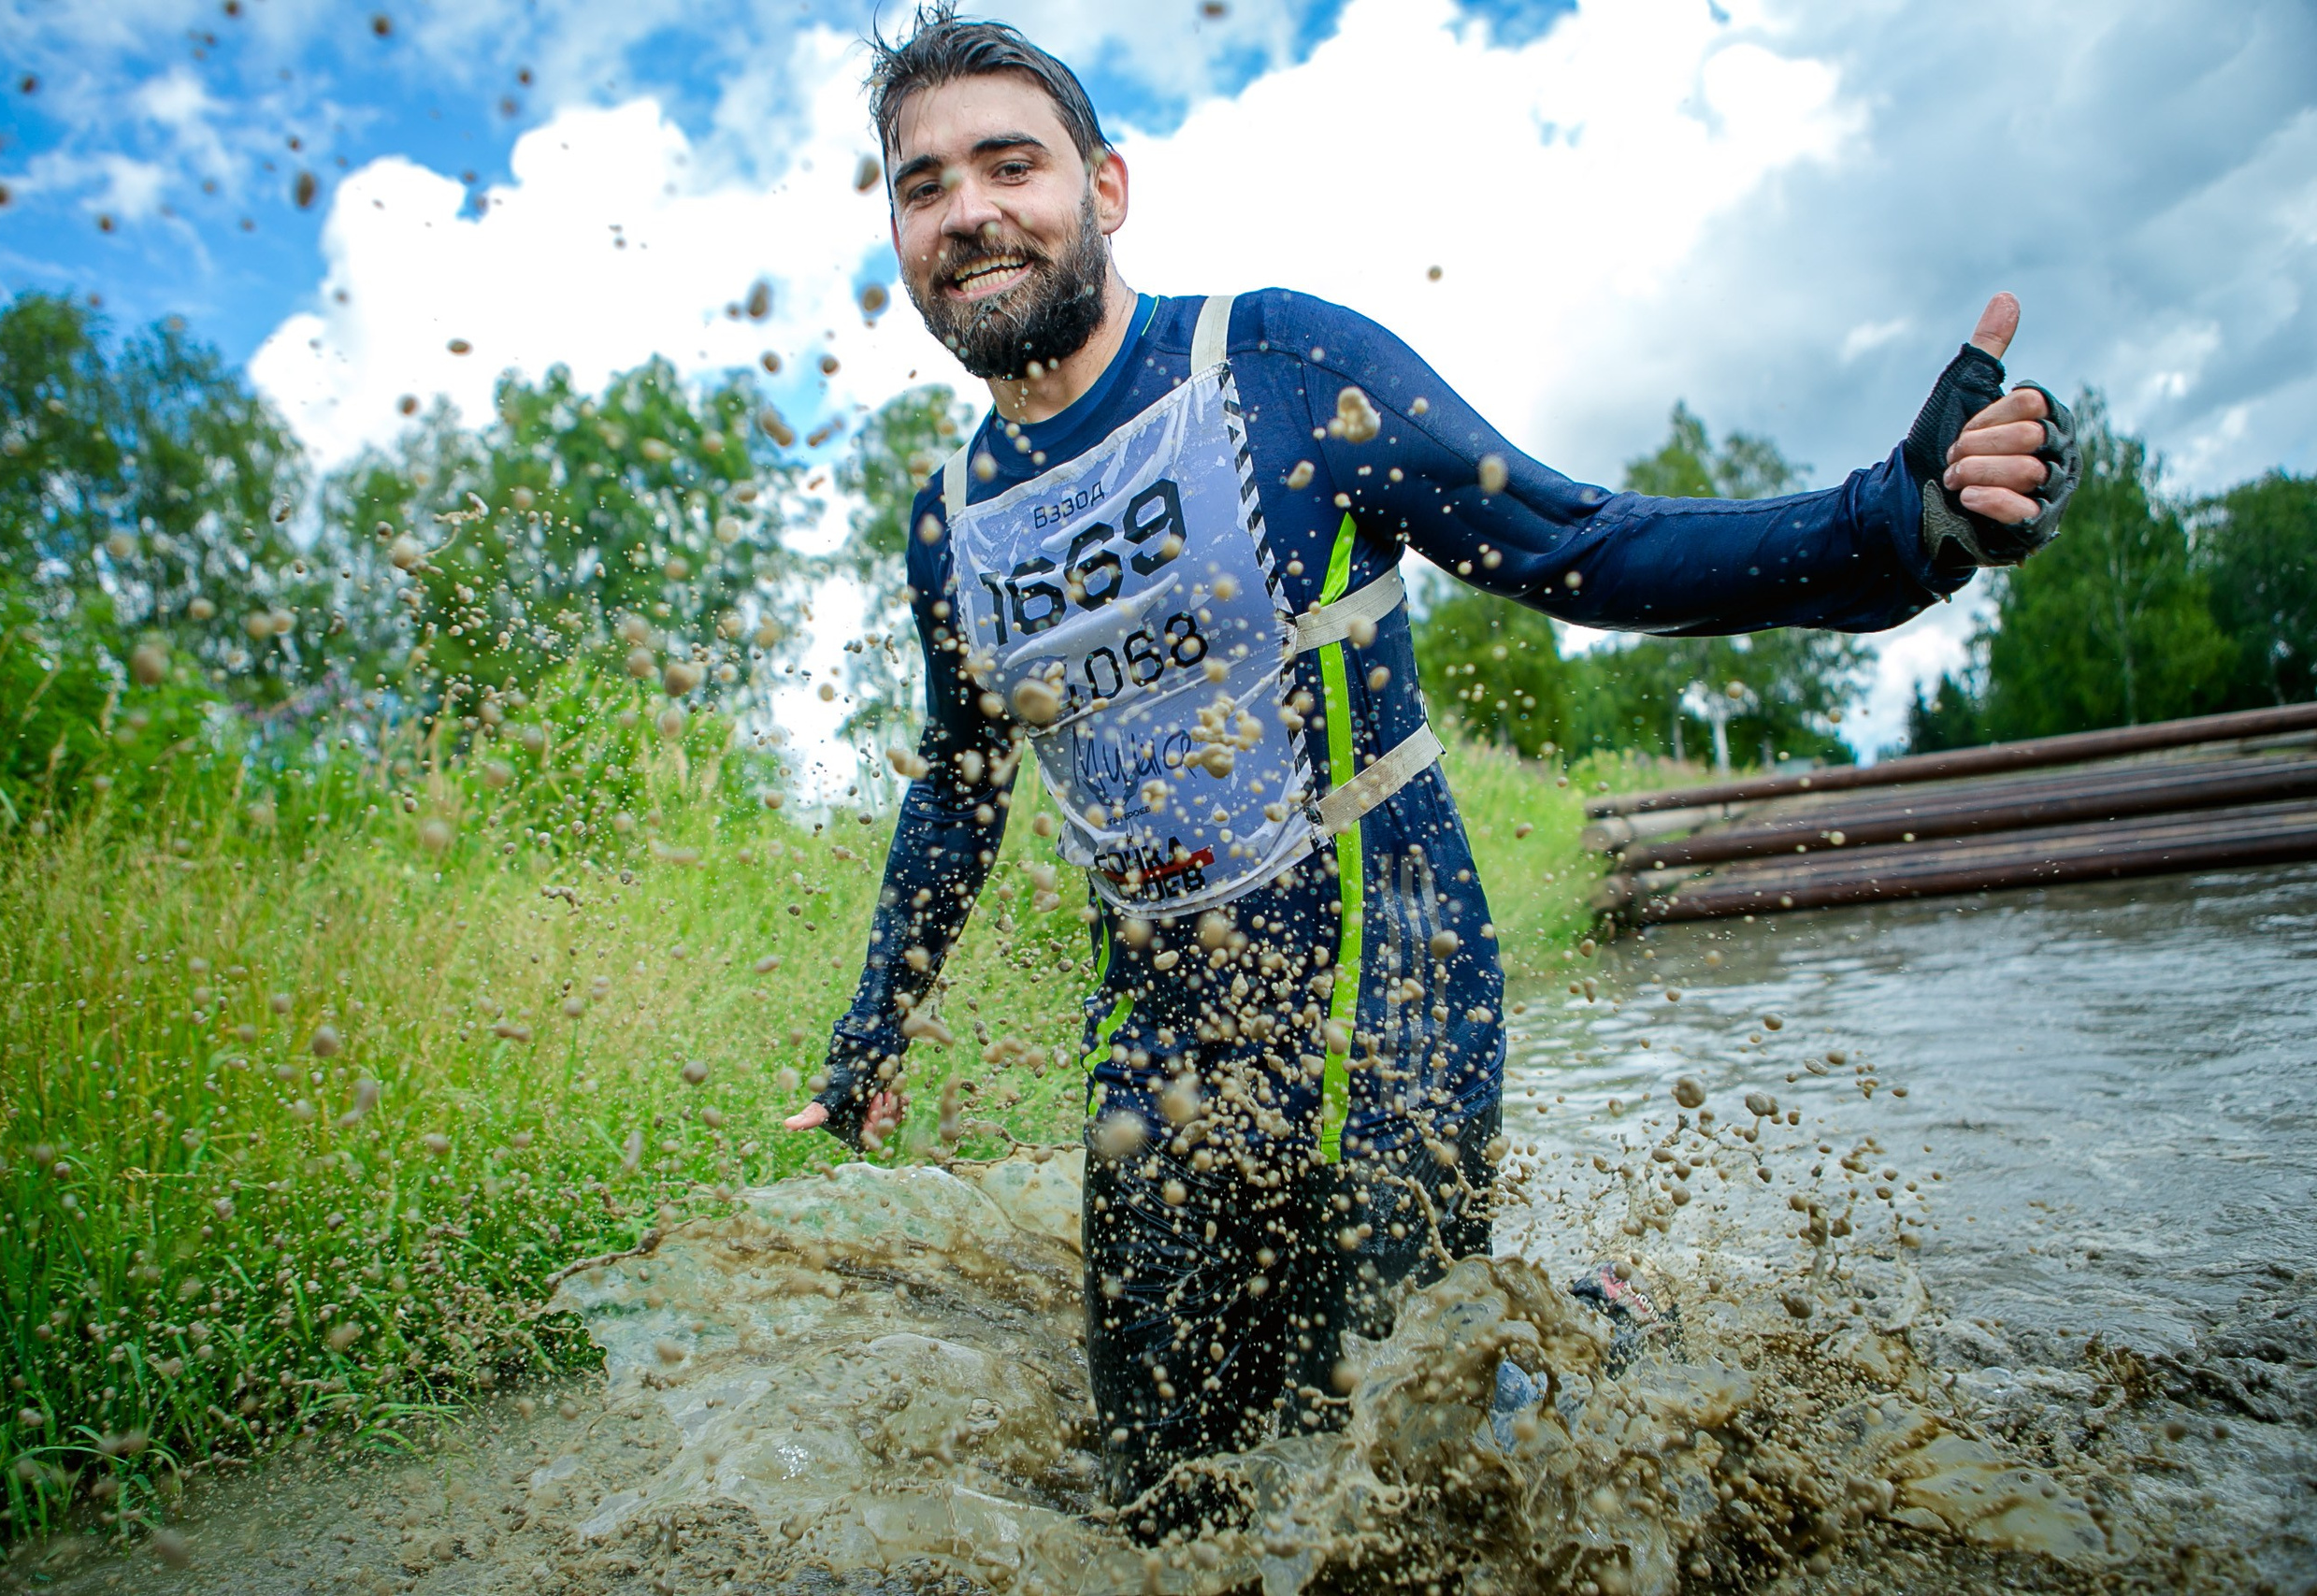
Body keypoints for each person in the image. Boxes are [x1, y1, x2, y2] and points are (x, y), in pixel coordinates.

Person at [785, 4, 2076, 1525]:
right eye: (924, 184)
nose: (971, 212)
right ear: (896, 229)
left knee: (1391, 1465)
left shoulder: (1278, 366)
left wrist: (1897, 521)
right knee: (1166, 1504)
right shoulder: (947, 522)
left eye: (1012, 165)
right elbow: (959, 780)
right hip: (1157, 1032)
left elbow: (1578, 545)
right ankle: (1529, 1327)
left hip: (1378, 974)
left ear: (1107, 188)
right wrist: (877, 1025)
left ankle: (1586, 1336)